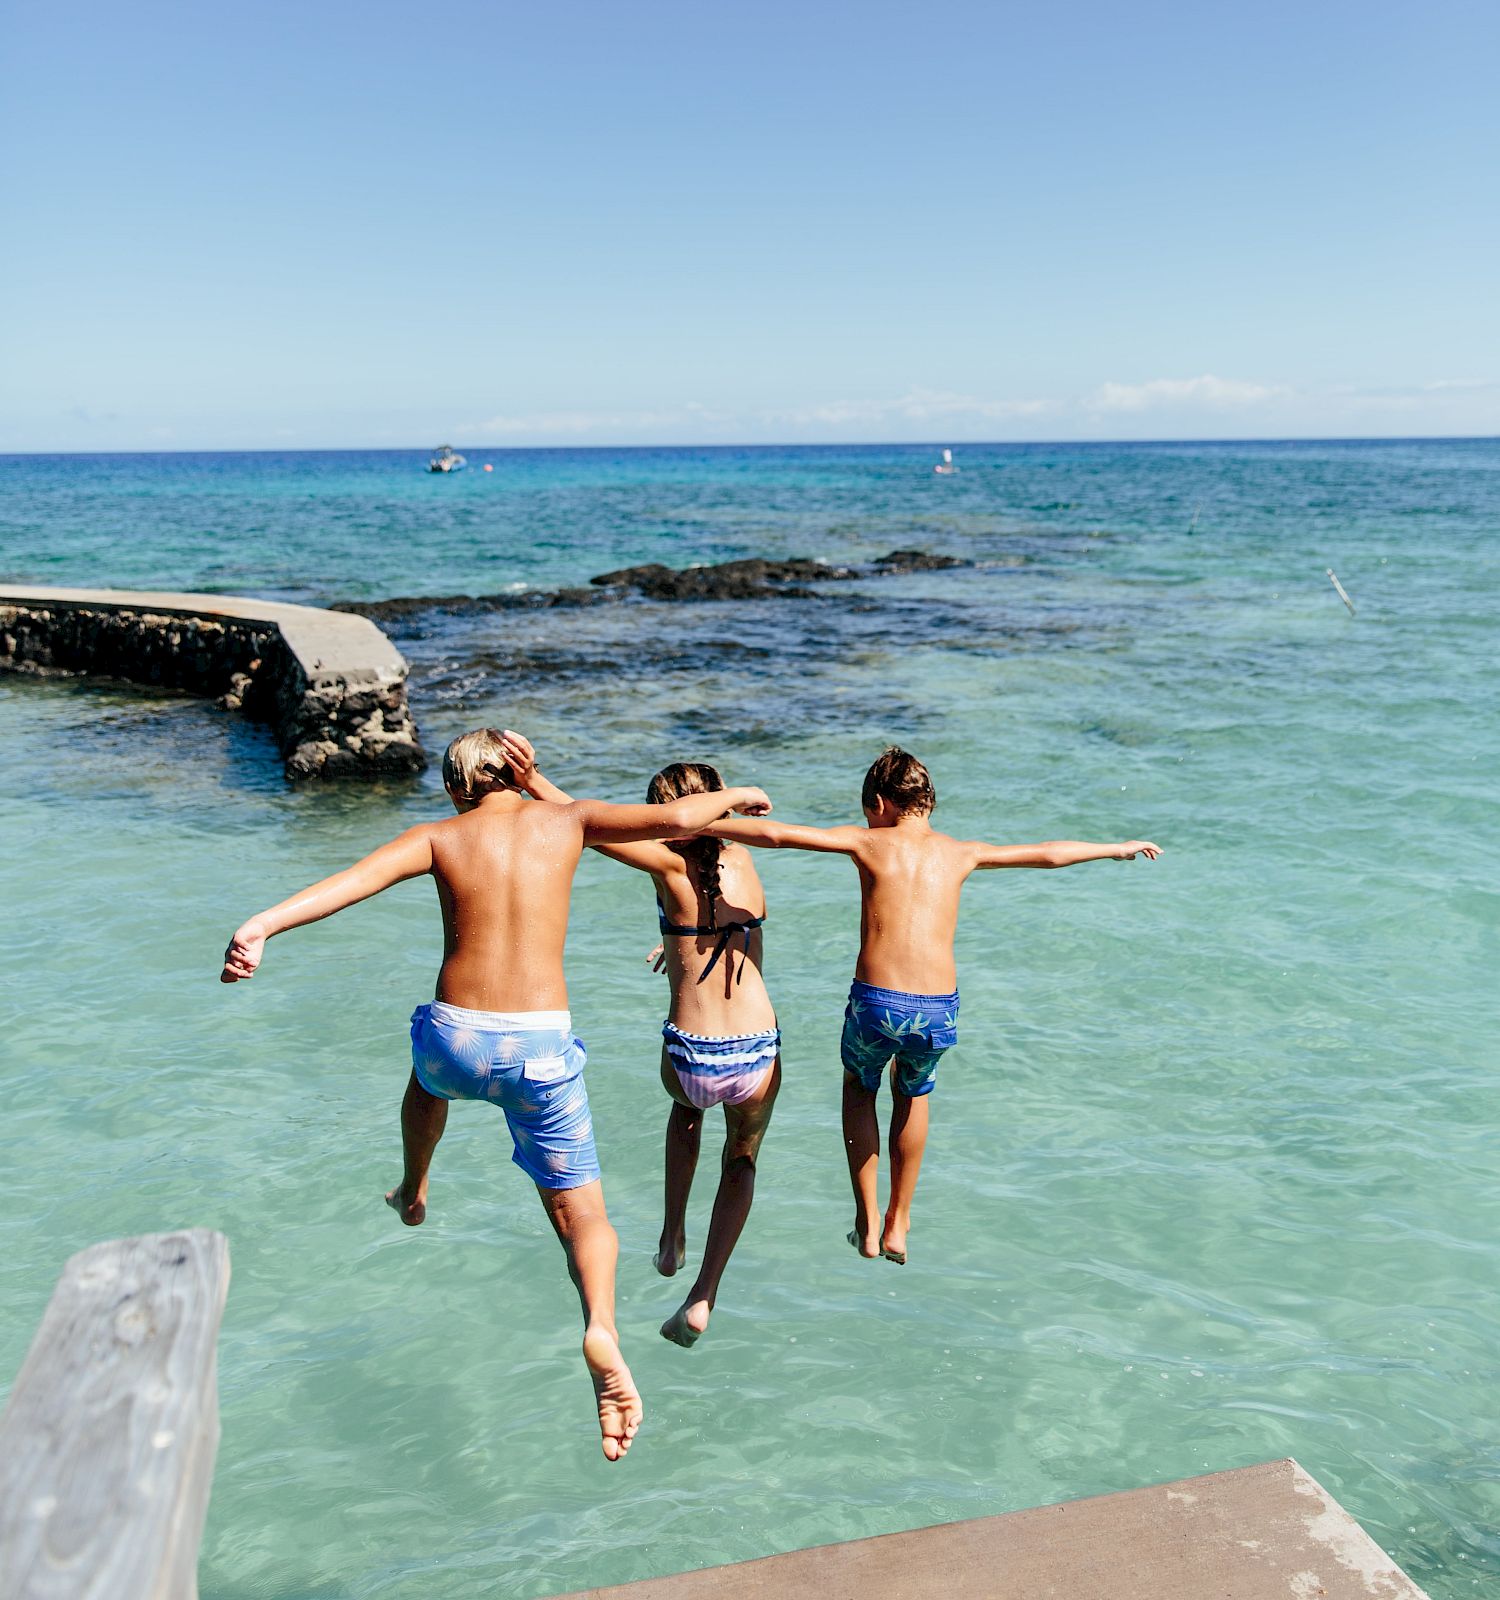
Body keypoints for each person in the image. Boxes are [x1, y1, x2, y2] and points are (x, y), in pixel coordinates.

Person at [219, 727, 772, 1459]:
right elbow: (676, 823)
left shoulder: (437, 835)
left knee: (425, 1077)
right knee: (581, 1212)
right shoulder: (567, 820)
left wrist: (261, 925)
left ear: (455, 790)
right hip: (539, 1045)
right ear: (515, 779)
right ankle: (601, 1326)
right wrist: (736, 795)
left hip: (457, 1038)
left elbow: (349, 886)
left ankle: (414, 1188)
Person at [705, 747, 1160, 1266]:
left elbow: (778, 834)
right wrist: (1114, 848)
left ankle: (866, 1220)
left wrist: (710, 823)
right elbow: (1047, 852)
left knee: (860, 1087)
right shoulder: (962, 851)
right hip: (939, 1008)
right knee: (913, 1095)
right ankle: (900, 1221)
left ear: (878, 803)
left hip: (878, 1002)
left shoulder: (868, 842)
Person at [500, 735, 779, 1350]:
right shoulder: (749, 858)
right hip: (758, 1051)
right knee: (742, 1158)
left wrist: (532, 782)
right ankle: (703, 1295)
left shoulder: (666, 863)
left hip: (693, 1055)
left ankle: (671, 1236)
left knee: (687, 1115)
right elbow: (735, 929)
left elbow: (586, 826)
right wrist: (678, 941)